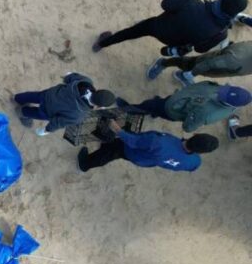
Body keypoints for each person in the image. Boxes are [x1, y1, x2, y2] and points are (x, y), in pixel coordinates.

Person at [94, 0, 247, 73]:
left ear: (221, 1)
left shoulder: (194, 3)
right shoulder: (221, 33)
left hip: (156, 26)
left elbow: (166, 4)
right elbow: (200, 49)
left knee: (130, 32)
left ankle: (103, 42)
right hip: (171, 42)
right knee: (137, 30)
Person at [78, 121, 216, 172]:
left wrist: (117, 129)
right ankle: (105, 146)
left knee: (110, 152)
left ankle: (85, 164)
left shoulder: (160, 142)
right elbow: (190, 167)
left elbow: (133, 142)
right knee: (114, 149)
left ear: (195, 134)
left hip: (132, 150)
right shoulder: (194, 162)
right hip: (145, 160)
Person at [120, 83, 251, 132]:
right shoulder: (225, 95)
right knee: (156, 106)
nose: (220, 91)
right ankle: (153, 112)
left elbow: (188, 127)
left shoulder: (206, 114)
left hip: (172, 109)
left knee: (149, 105)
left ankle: (129, 110)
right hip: (178, 100)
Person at [14, 73, 116, 136]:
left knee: (34, 96)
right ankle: (23, 112)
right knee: (36, 113)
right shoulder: (79, 115)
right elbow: (58, 122)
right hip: (48, 111)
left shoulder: (86, 82)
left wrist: (66, 78)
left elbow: (69, 76)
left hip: (50, 94)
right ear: (100, 107)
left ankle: (18, 98)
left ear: (98, 90)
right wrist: (46, 130)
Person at [159, 41, 252, 86]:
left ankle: (181, 74)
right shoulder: (235, 59)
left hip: (220, 63)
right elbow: (210, 64)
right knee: (188, 63)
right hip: (207, 64)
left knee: (190, 65)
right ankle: (163, 63)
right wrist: (192, 73)